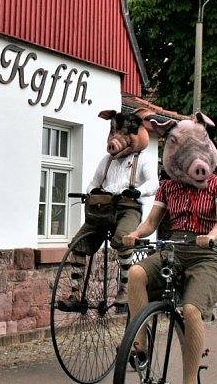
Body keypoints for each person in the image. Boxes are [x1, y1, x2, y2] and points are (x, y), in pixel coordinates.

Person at [121, 113, 217, 384]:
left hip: (205, 254)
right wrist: (135, 234)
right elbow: (151, 222)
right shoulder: (168, 188)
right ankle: (140, 341)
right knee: (136, 273)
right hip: (174, 249)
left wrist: (211, 235)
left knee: (192, 310)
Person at [58, 110, 159, 310]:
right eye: (113, 133)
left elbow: (153, 183)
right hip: (103, 208)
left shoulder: (143, 159)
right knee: (78, 244)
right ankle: (75, 294)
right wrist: (93, 191)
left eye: (122, 133)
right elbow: (93, 183)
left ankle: (125, 287)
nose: (115, 138)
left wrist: (138, 192)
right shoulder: (106, 161)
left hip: (128, 208)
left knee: (123, 238)